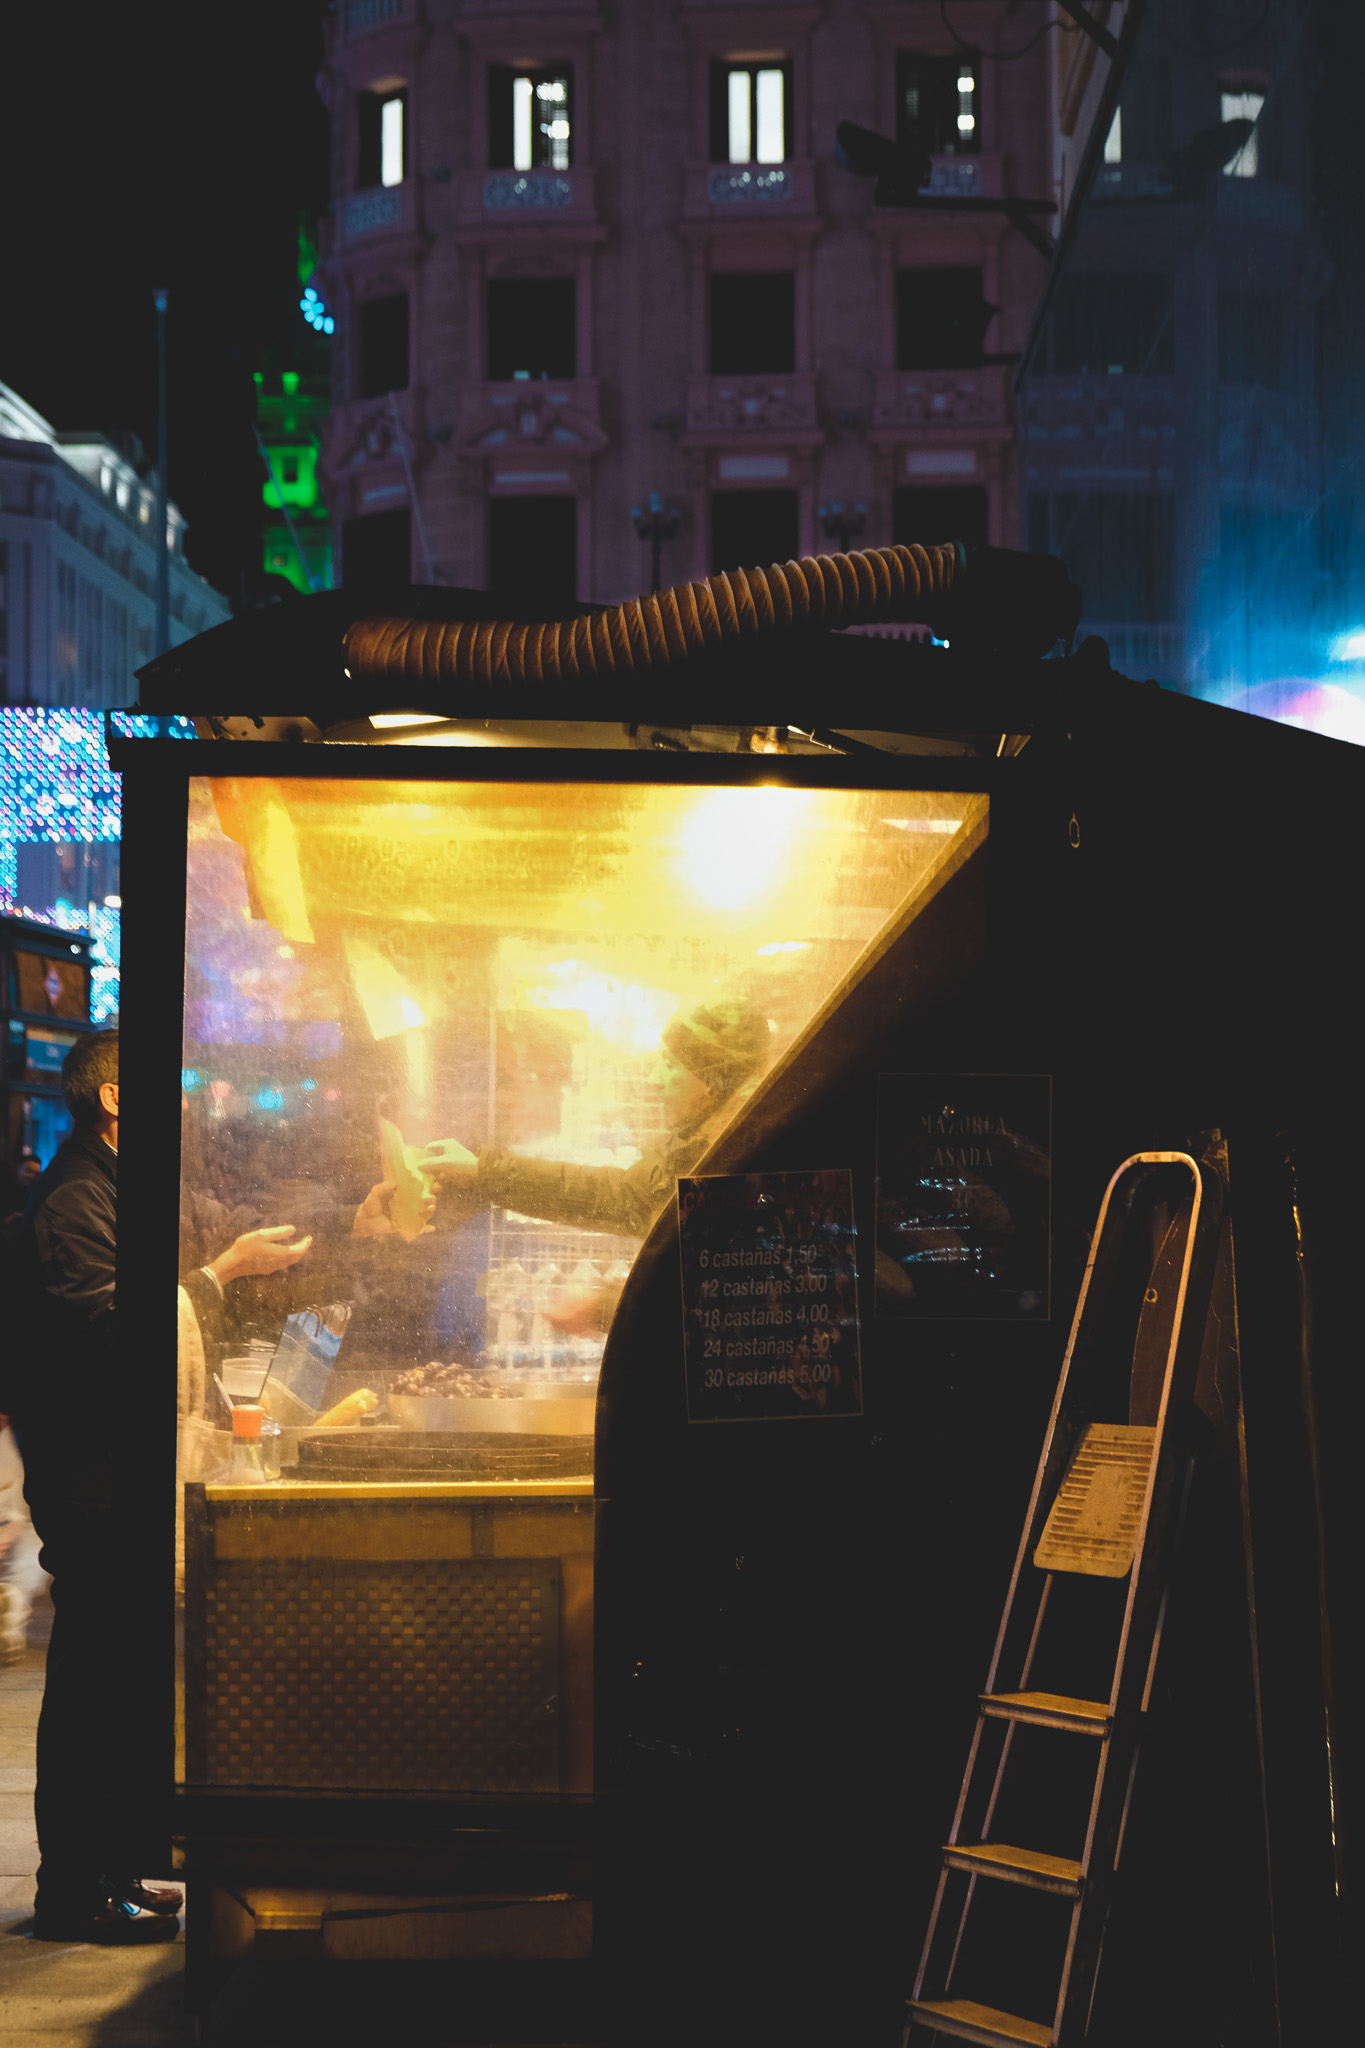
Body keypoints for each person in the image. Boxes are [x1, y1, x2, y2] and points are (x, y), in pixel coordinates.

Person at [7, 1031, 311, 1943]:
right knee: (91, 1686)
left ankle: (109, 1871)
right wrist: (221, 1275)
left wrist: (227, 1270)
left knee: (114, 1683)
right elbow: (110, 1328)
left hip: (110, 1467)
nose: (178, 1108)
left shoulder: (110, 1185)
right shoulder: (76, 1194)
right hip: (91, 1475)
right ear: (112, 1100)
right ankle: (74, 1891)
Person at [420, 996, 771, 1329]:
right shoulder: (704, 1147)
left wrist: (605, 1306)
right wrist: (482, 1170)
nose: (653, 1080)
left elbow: (714, 1293)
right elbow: (620, 1195)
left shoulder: (735, 1160)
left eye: (669, 1064)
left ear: (711, 1081)